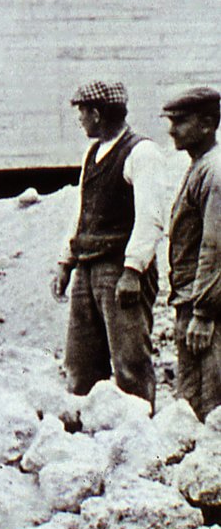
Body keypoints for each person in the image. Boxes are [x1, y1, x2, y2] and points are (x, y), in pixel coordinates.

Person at [51, 79, 165, 406]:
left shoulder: (141, 152)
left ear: (98, 113)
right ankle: (88, 437)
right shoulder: (93, 152)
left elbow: (150, 218)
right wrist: (65, 262)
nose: (79, 119)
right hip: (88, 267)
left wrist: (133, 271)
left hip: (119, 268)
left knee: (129, 362)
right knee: (81, 363)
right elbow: (82, 211)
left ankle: (139, 432)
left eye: (82, 112)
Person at [162, 86, 221, 422]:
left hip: (204, 308)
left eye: (181, 121)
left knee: (209, 404)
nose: (172, 129)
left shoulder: (214, 171)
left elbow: (215, 248)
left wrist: (203, 313)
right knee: (192, 398)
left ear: (208, 124)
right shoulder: (200, 166)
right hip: (191, 299)